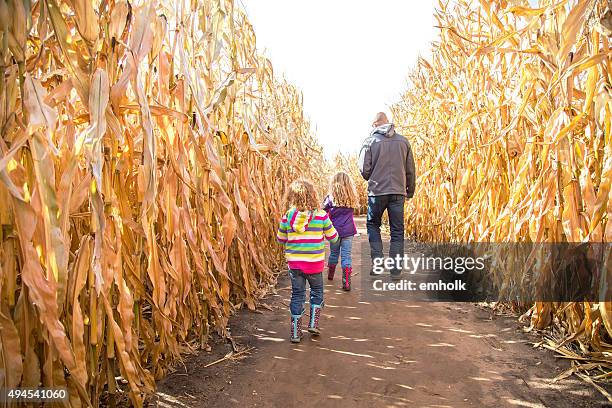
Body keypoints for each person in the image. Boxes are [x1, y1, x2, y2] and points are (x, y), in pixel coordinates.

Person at [276, 180, 339, 343]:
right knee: (317, 292)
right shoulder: (321, 215)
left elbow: (280, 239)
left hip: (295, 264)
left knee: (297, 294)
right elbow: (333, 237)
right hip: (314, 264)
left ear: (291, 196)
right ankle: (313, 323)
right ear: (313, 195)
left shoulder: (287, 216)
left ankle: (296, 333)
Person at [358, 112, 415, 279]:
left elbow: (364, 169)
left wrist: (372, 176)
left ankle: (377, 264)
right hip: (398, 192)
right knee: (397, 230)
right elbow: (410, 169)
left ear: (375, 124)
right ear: (388, 123)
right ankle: (396, 270)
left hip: (377, 191)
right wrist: (409, 190)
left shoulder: (370, 141)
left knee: (373, 224)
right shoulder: (403, 141)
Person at [323, 172, 358, 291]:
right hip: (348, 231)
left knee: (334, 253)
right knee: (346, 256)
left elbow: (323, 211)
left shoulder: (329, 198)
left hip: (334, 232)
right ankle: (346, 283)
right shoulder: (351, 197)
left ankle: (330, 274)